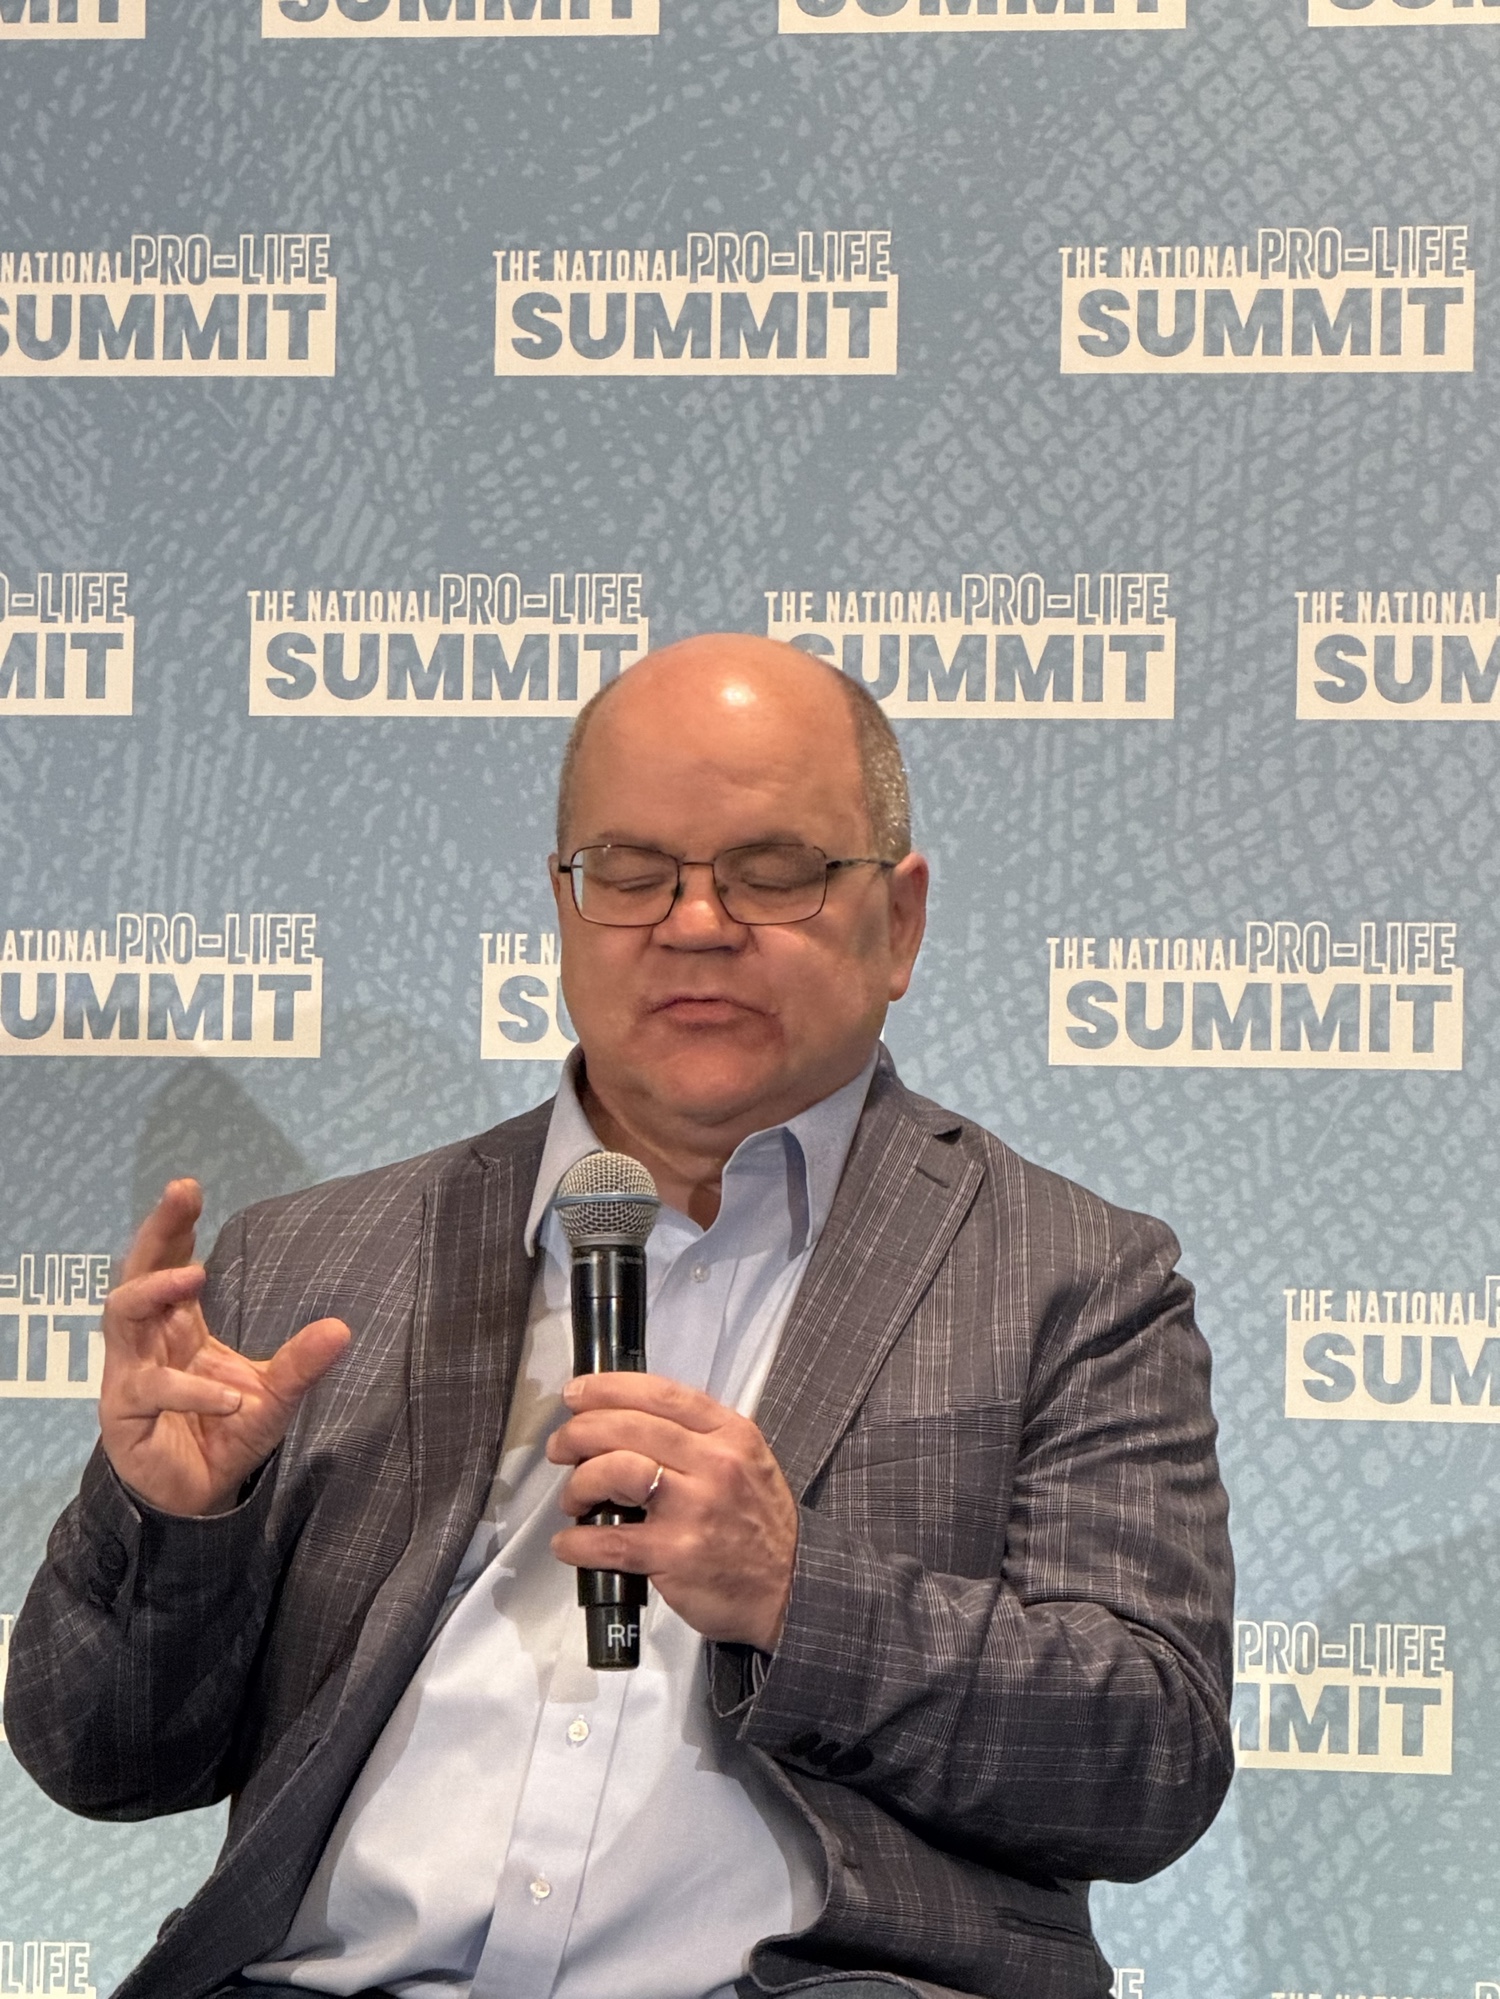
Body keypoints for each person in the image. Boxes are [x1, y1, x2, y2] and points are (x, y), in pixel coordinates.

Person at [5, 634, 1234, 1999]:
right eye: (633, 872)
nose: (694, 924)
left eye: (773, 869)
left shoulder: (1072, 1275)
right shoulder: (313, 1262)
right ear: (564, 903)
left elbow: (1153, 1759)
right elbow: (96, 1760)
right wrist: (172, 1527)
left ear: (900, 919)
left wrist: (795, 1592)